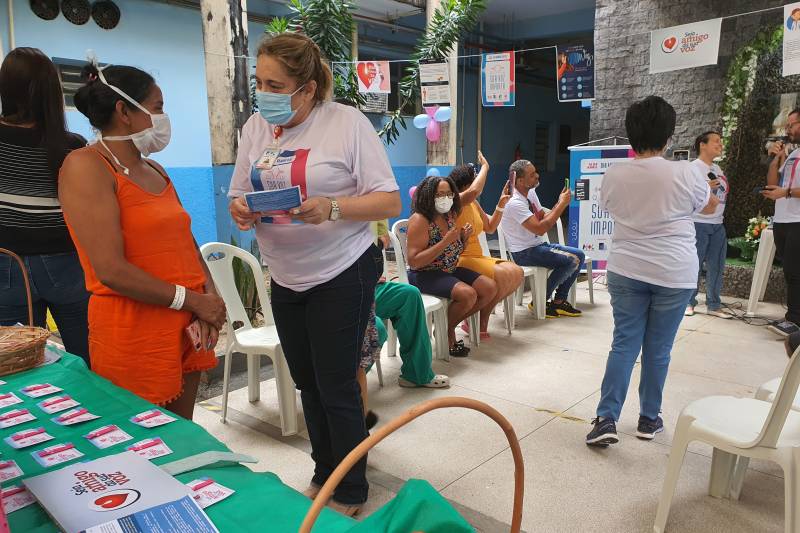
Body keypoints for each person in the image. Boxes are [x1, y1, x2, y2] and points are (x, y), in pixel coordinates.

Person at [227, 33, 400, 515]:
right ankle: (325, 469)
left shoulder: (345, 124)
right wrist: (241, 209)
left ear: (306, 87)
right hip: (285, 273)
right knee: (306, 379)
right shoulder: (255, 128)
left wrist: (334, 207)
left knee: (336, 382)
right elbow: (238, 192)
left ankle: (348, 489)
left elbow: (388, 199)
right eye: (259, 82)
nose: (264, 93)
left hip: (342, 268)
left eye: (275, 84)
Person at [59, 62, 225, 420]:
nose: (163, 119)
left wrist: (211, 296)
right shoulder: (86, 167)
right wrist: (194, 300)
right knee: (144, 446)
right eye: (157, 108)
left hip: (187, 326)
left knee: (182, 438)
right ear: (124, 112)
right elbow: (111, 270)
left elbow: (186, 240)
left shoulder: (155, 170)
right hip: (134, 332)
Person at [586, 96, 718, 447]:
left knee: (624, 344)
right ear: (669, 134)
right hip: (675, 273)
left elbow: (610, 207)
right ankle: (648, 419)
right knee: (658, 350)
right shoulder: (686, 173)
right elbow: (704, 205)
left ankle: (605, 419)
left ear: (631, 134)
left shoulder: (615, 175)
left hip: (627, 269)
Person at [0, 48, 90, 363]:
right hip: (68, 263)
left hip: (7, 266)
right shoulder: (72, 146)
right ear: (51, 91)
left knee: (21, 364)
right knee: (90, 359)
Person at [405, 175, 497, 357]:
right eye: (439, 195)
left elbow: (452, 250)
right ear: (428, 196)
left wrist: (462, 239)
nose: (445, 198)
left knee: (489, 288)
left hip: (449, 270)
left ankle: (446, 326)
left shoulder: (448, 216)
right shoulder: (420, 220)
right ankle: (447, 334)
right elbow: (414, 261)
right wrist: (446, 241)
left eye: (449, 194)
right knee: (468, 295)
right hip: (425, 274)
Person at [499, 159, 584, 318]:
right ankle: (540, 300)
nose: (537, 176)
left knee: (579, 255)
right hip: (524, 253)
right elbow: (541, 227)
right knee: (572, 260)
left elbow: (543, 217)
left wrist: (559, 202)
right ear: (520, 181)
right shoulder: (514, 202)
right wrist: (562, 205)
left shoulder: (530, 193)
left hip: (538, 246)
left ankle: (558, 302)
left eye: (536, 172)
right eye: (532, 175)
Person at [450, 156, 523, 338]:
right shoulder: (456, 201)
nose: (478, 186)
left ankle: (480, 317)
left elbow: (490, 226)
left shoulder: (473, 203)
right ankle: (477, 320)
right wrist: (486, 167)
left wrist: (501, 203)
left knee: (516, 272)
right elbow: (475, 191)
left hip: (478, 256)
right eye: (475, 181)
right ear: (467, 184)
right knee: (500, 275)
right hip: (462, 258)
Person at [686, 131, 731, 318]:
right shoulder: (692, 168)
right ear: (702, 145)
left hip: (718, 224)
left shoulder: (718, 169)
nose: (720, 145)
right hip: (699, 223)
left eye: (721, 142)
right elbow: (686, 196)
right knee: (693, 265)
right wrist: (706, 188)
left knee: (717, 266)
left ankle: (714, 304)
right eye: (716, 141)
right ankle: (688, 302)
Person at [764, 108, 800, 335]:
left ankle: (794, 320)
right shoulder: (793, 154)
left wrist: (785, 193)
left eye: (792, 124)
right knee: (789, 271)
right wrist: (776, 159)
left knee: (796, 271)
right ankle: (793, 317)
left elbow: (784, 189)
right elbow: (772, 182)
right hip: (783, 219)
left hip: (798, 220)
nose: (788, 130)